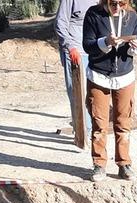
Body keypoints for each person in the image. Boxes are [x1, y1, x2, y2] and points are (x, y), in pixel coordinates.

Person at [83, 0, 137, 182]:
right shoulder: (93, 14)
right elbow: (87, 45)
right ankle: (99, 165)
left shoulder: (131, 16)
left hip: (125, 76)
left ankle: (124, 164)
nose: (117, 7)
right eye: (113, 3)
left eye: (122, 3)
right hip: (98, 76)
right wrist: (105, 42)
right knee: (99, 123)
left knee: (123, 122)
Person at [55, 0, 97, 135]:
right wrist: (70, 47)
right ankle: (83, 132)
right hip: (76, 51)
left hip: (95, 50)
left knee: (94, 92)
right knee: (78, 93)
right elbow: (60, 23)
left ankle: (92, 128)